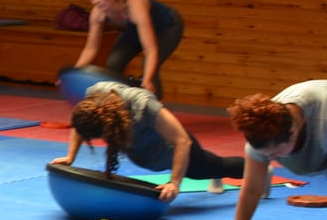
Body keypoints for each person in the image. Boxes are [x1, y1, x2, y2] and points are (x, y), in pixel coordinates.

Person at [53, 80, 244, 202]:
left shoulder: (143, 105)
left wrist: (174, 183)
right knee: (211, 164)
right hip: (144, 153)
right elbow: (79, 125)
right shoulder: (95, 96)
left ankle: (256, 169)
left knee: (212, 167)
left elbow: (182, 141)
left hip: (172, 152)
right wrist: (70, 156)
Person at [210, 81, 327, 220]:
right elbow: (252, 189)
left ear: (292, 134)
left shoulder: (322, 120)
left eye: (274, 153)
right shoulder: (263, 128)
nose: (270, 159)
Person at [72, 0, 183, 98]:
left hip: (167, 28)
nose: (95, 1)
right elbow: (91, 48)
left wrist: (147, 80)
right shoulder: (98, 13)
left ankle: (155, 103)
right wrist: (73, 74)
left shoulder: (135, 6)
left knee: (149, 69)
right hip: (134, 31)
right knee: (113, 62)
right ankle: (121, 101)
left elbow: (151, 51)